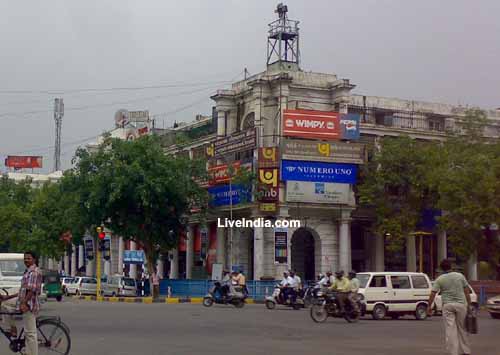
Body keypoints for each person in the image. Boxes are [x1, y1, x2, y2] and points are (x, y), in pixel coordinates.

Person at [427, 259, 472, 355]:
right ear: (451, 266)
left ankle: (453, 352)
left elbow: (433, 293)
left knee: (450, 330)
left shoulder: (440, 279)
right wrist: (469, 304)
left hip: (447, 305)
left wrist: (429, 306)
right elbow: (466, 291)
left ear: (441, 268)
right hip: (461, 305)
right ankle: (466, 351)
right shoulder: (460, 276)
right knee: (463, 328)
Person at [15, 251, 43, 355]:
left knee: (30, 333)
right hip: (24, 301)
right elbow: (23, 289)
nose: (26, 260)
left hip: (29, 305)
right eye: (25, 258)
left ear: (34, 260)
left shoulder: (34, 272)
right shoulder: (28, 271)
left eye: (28, 258)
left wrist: (24, 303)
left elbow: (32, 290)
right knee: (5, 305)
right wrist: (9, 297)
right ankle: (11, 328)